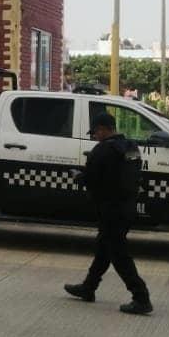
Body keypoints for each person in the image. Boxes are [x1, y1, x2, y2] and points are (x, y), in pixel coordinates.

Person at [64, 111, 154, 315]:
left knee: (119, 255)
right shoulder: (131, 147)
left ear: (104, 129)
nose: (95, 136)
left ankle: (141, 297)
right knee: (104, 248)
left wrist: (79, 176)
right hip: (127, 207)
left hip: (110, 209)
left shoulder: (103, 150)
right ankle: (89, 287)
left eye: (96, 131)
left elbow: (92, 179)